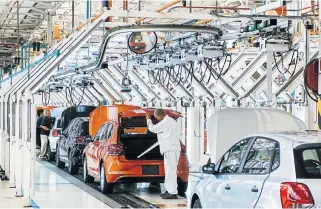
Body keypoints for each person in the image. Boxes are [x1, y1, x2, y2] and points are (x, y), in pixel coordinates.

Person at [146, 109, 181, 199]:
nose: (156, 119)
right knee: (170, 171)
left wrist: (148, 119)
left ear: (160, 115)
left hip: (170, 149)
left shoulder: (165, 122)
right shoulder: (170, 120)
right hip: (172, 148)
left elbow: (152, 129)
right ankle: (170, 190)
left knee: (170, 171)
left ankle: (172, 192)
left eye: (156, 117)